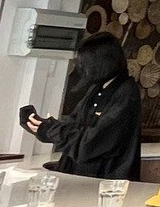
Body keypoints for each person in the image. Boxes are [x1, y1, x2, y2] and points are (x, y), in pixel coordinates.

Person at [21, 33, 142, 179]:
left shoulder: (126, 93)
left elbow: (92, 143)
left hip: (105, 180)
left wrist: (51, 129)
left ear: (100, 63)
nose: (82, 68)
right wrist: (43, 127)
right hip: (82, 175)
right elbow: (75, 124)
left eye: (85, 63)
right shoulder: (97, 89)